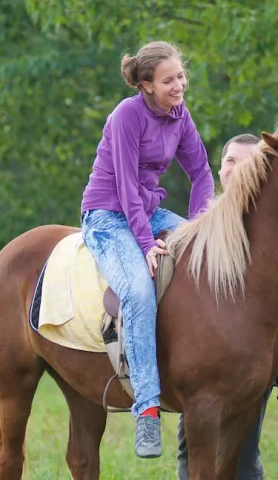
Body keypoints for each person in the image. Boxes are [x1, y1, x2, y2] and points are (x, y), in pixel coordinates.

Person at [79, 40, 214, 458]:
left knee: (208, 257)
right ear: (146, 85)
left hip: (149, 211)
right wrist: (145, 244)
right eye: (169, 80)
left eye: (181, 77)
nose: (179, 85)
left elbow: (202, 173)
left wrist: (199, 228)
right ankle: (148, 409)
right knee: (138, 291)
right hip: (107, 215)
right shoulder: (126, 115)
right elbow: (123, 188)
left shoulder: (180, 115)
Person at [175, 133, 278, 479]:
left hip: (250, 352)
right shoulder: (205, 221)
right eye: (229, 162)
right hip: (200, 355)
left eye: (244, 163)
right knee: (190, 446)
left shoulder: (266, 228)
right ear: (220, 172)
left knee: (243, 454)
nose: (235, 170)